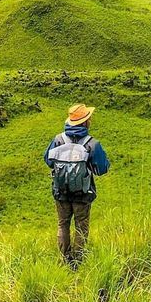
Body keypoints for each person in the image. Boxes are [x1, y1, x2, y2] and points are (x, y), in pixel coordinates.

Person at [44, 103, 110, 267]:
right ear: (85, 122)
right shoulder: (92, 144)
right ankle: (78, 262)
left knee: (63, 224)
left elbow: (48, 160)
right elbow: (102, 169)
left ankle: (65, 258)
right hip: (83, 193)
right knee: (81, 226)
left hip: (61, 191)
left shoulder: (58, 140)